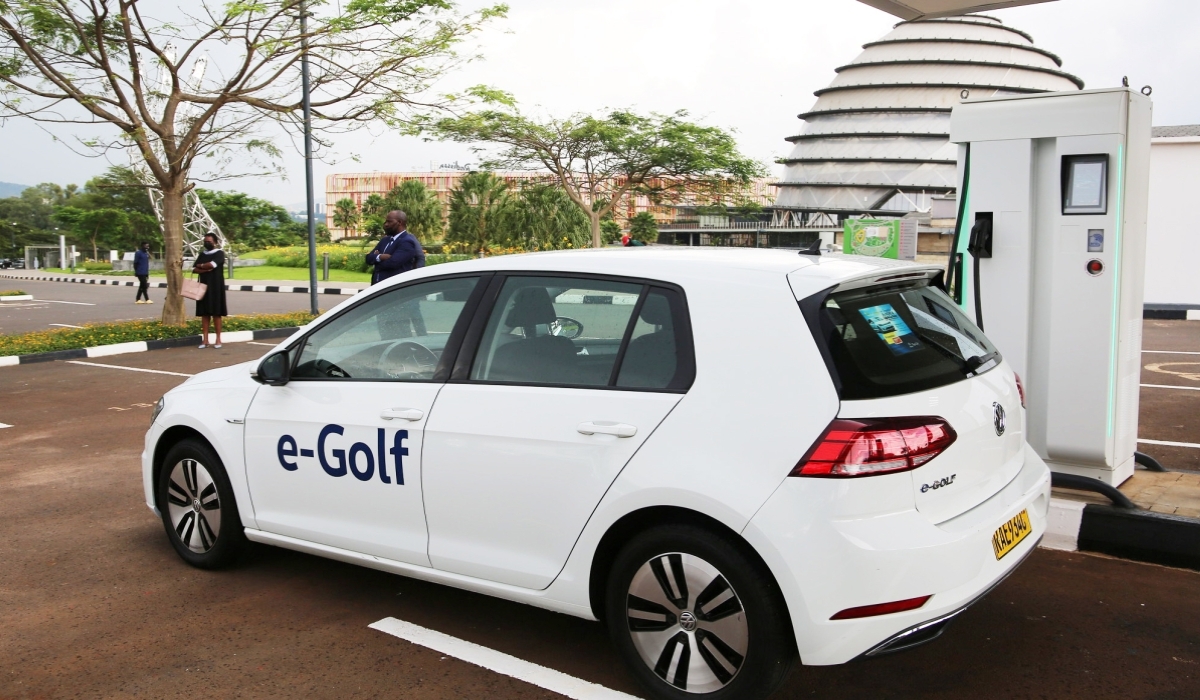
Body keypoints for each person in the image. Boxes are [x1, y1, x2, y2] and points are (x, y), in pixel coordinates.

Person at [366, 210, 425, 285]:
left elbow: (392, 263)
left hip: (394, 288)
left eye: (389, 222)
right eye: (386, 222)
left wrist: (376, 262)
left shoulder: (407, 242)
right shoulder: (385, 240)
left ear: (399, 222)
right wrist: (380, 257)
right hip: (377, 287)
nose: (386, 224)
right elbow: (368, 258)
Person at [192, 233, 227, 349]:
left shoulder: (219, 253)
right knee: (204, 314)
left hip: (216, 287)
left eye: (209, 242)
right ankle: (205, 340)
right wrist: (205, 268)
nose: (207, 243)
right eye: (205, 241)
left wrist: (201, 266)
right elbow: (194, 268)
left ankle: (218, 339)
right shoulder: (202, 254)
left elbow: (213, 264)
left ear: (215, 242)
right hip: (203, 287)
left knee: (216, 314)